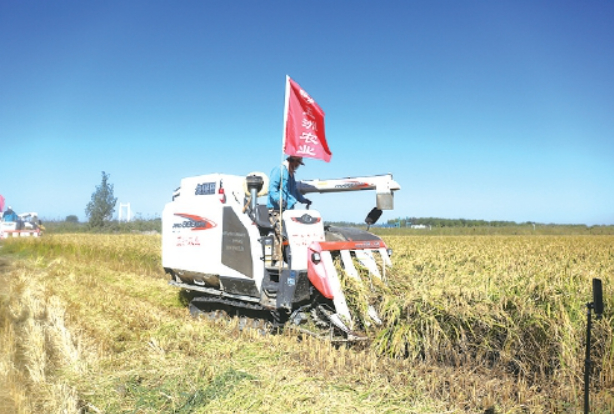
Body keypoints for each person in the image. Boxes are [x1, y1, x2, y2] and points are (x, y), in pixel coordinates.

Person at [267, 156, 312, 266]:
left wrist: (303, 200)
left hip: (288, 210)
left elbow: (294, 192)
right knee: (280, 232)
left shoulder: (291, 175)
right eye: (297, 162)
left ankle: (291, 259)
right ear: (292, 161)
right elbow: (272, 189)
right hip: (277, 209)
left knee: (290, 233)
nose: (298, 165)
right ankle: (278, 260)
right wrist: (279, 200)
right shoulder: (279, 170)